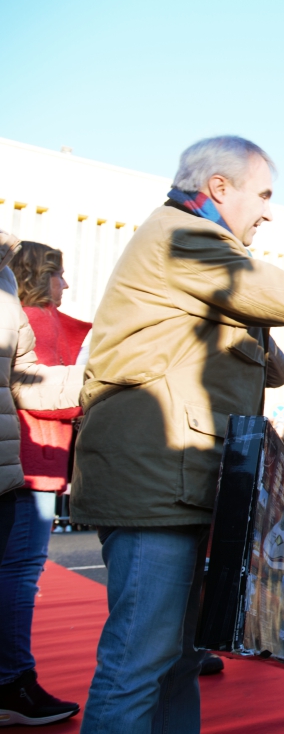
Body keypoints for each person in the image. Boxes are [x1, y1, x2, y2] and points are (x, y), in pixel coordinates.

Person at [71, 135, 284, 733]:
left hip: (169, 481)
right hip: (157, 485)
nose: (269, 210)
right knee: (139, 663)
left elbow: (276, 367)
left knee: (173, 662)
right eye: (264, 194)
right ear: (218, 188)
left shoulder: (190, 242)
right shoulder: (184, 236)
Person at [0, 236, 86, 727]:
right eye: (58, 273)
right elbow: (48, 394)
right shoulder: (37, 322)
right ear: (38, 276)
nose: (66, 284)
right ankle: (14, 678)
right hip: (31, 460)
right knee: (20, 571)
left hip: (23, 458)